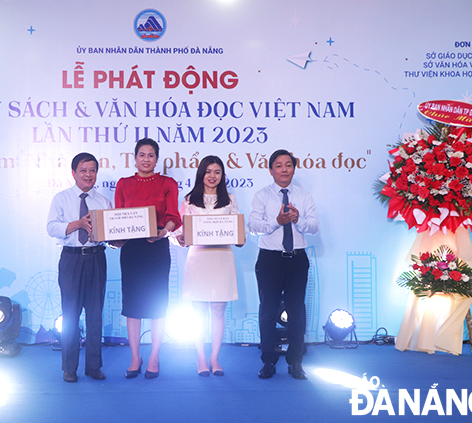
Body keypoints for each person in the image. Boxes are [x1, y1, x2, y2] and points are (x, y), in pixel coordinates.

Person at [248, 149, 319, 380]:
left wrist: (298, 221)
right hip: (269, 259)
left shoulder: (304, 196)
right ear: (270, 170)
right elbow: (253, 227)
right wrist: (276, 222)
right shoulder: (261, 196)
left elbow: (315, 227)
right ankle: (268, 360)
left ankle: (295, 361)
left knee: (296, 311)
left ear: (294, 168)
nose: (284, 169)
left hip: (297, 259)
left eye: (288, 165)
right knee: (268, 311)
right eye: (278, 165)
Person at [114, 138, 181, 379]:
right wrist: (116, 237)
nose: (146, 159)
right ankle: (135, 357)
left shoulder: (167, 183)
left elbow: (174, 216)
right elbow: (118, 218)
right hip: (132, 250)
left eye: (151, 155)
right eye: (141, 154)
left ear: (157, 158)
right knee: (132, 305)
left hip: (157, 249)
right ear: (134, 158)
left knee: (156, 303)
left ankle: (154, 356)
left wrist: (164, 231)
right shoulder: (124, 184)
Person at [47, 152, 112, 383]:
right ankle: (69, 367)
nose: (88, 175)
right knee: (71, 315)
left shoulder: (103, 202)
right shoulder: (61, 198)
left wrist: (117, 239)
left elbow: (109, 234)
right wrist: (78, 224)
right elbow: (52, 228)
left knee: (95, 314)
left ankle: (94, 366)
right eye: (83, 170)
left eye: (92, 170)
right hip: (71, 260)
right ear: (73, 173)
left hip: (96, 258)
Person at [174, 155, 242, 377]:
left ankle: (214, 357)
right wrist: (180, 238)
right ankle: (201, 356)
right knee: (199, 309)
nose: (212, 176)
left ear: (222, 176)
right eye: (209, 171)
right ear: (201, 173)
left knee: (219, 308)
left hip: (222, 256)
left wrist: (241, 237)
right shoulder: (190, 200)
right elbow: (176, 231)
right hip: (199, 258)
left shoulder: (230, 199)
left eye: (217, 172)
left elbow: (238, 229)